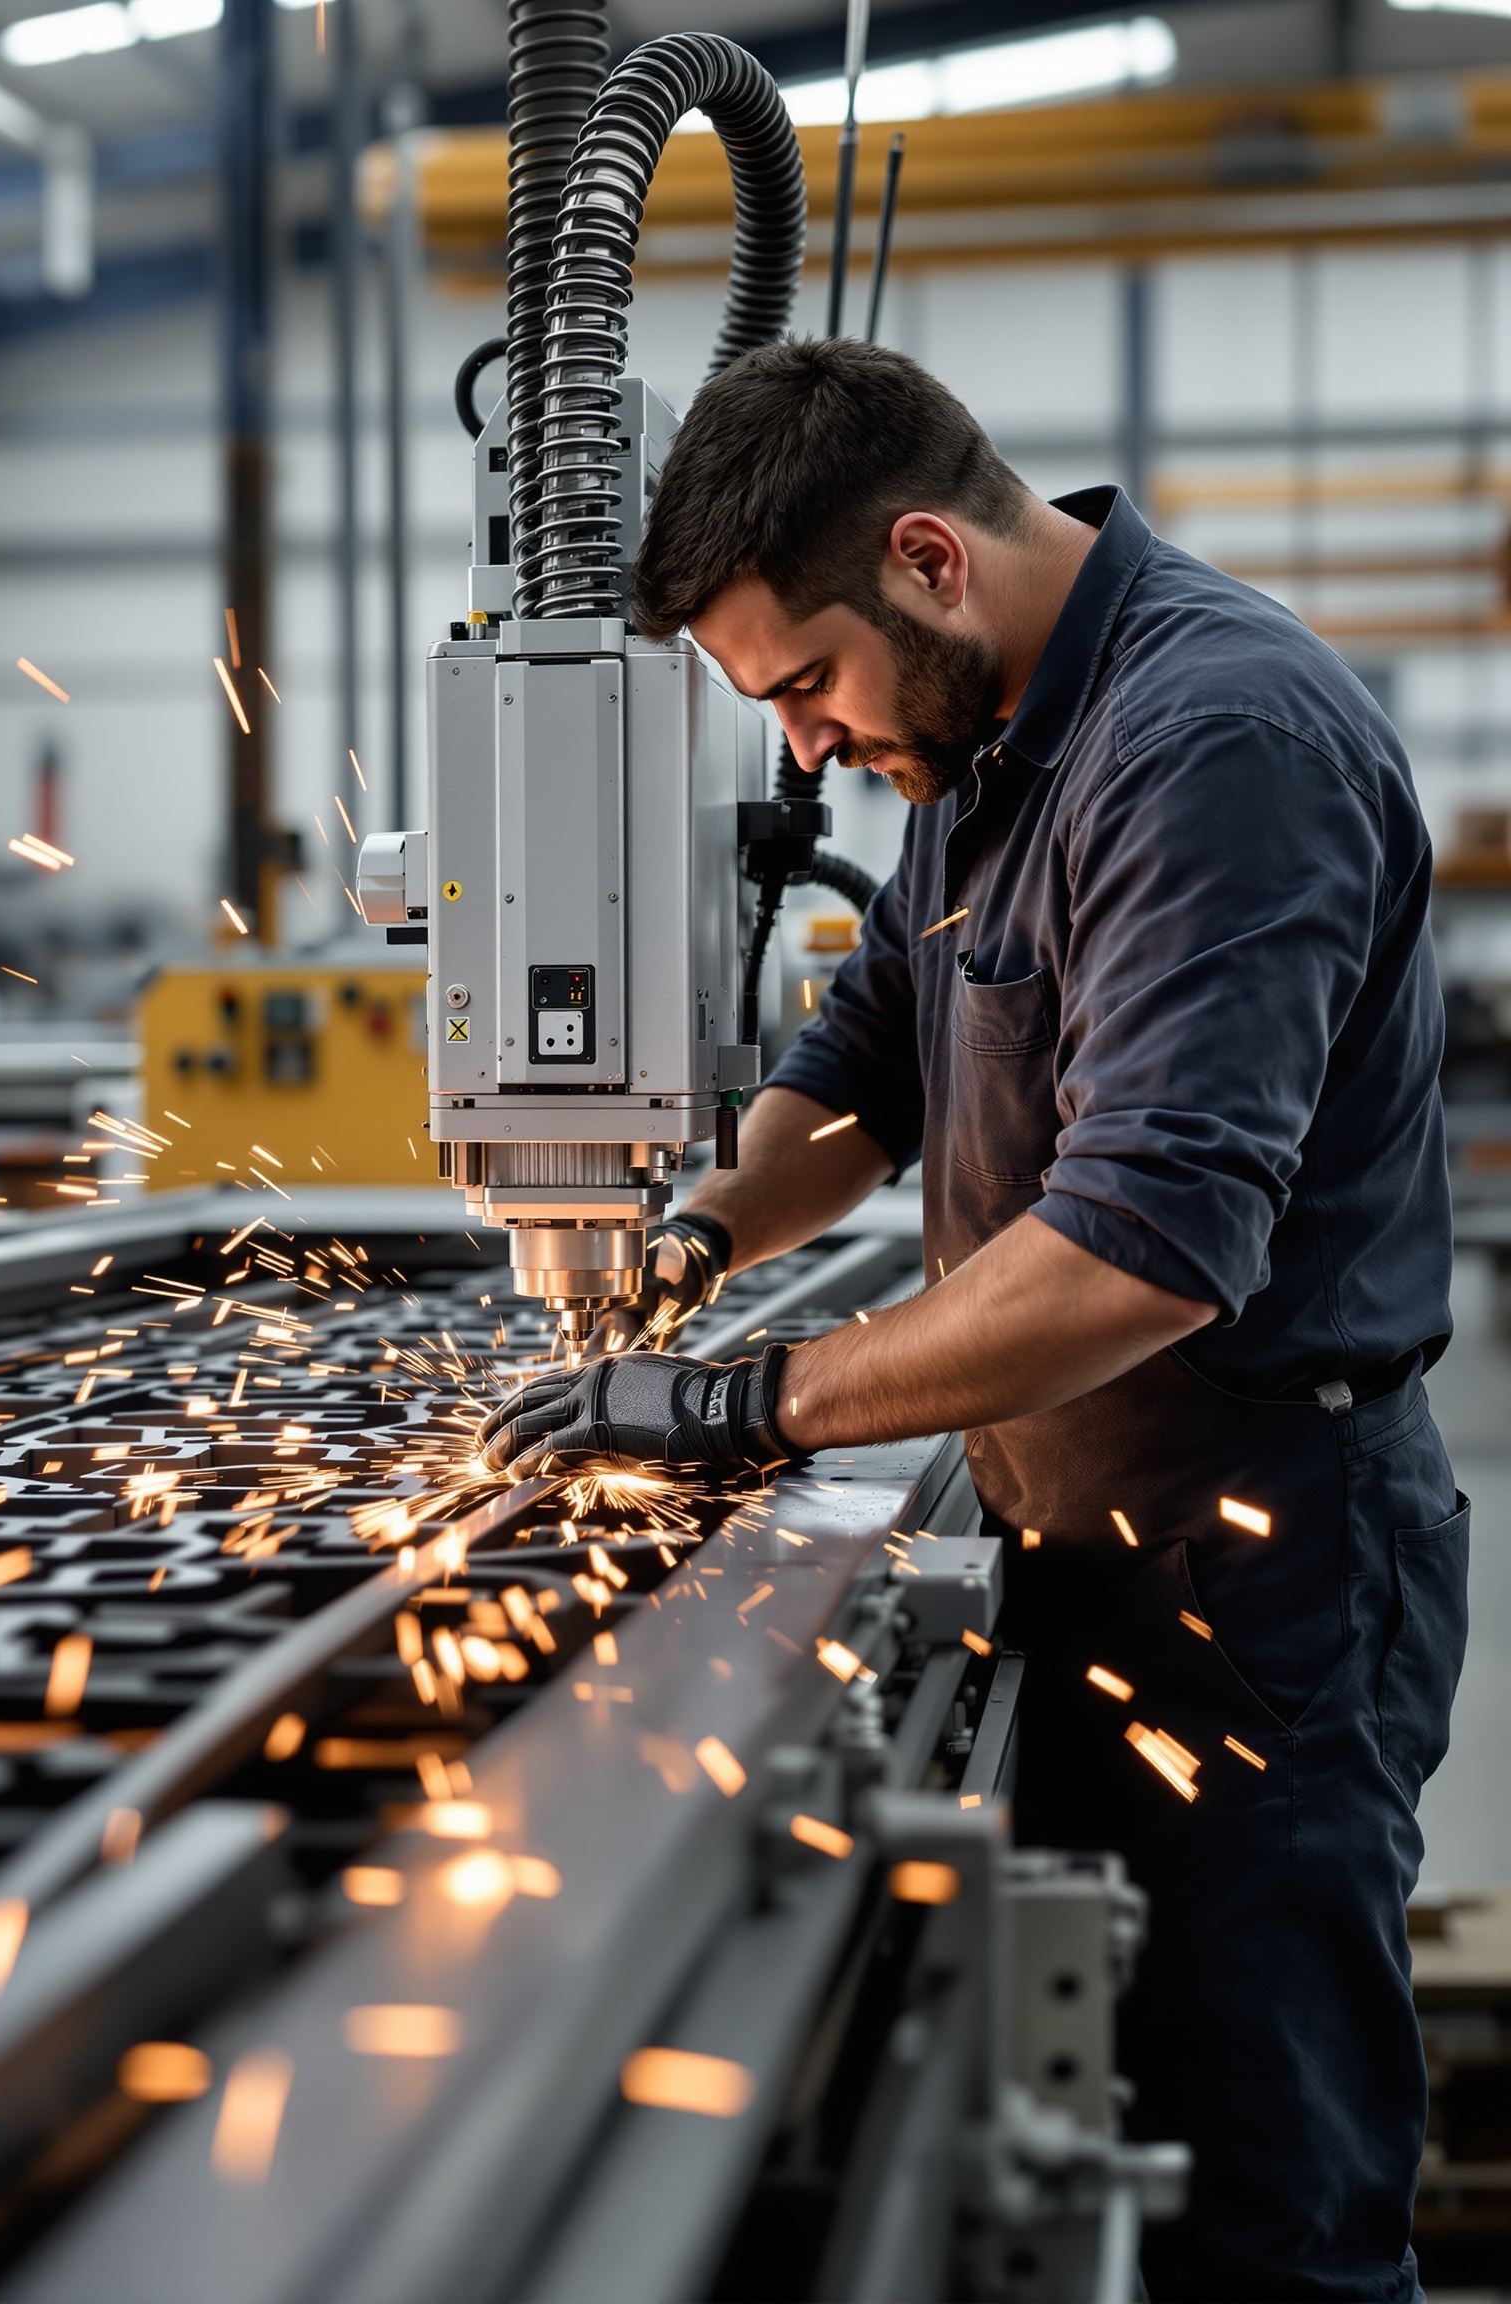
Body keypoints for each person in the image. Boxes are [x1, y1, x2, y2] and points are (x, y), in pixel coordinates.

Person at [478, 337, 1469, 2301]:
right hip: (1078, 1528)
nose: (808, 756)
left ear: (927, 557)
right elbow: (874, 1063)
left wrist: (742, 1403)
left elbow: (1143, 1248)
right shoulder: (987, 734)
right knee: (1118, 2129)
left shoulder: (1217, 743)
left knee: (1262, 2188)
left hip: (1250, 1569)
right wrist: (686, 1241)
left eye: (803, 692)